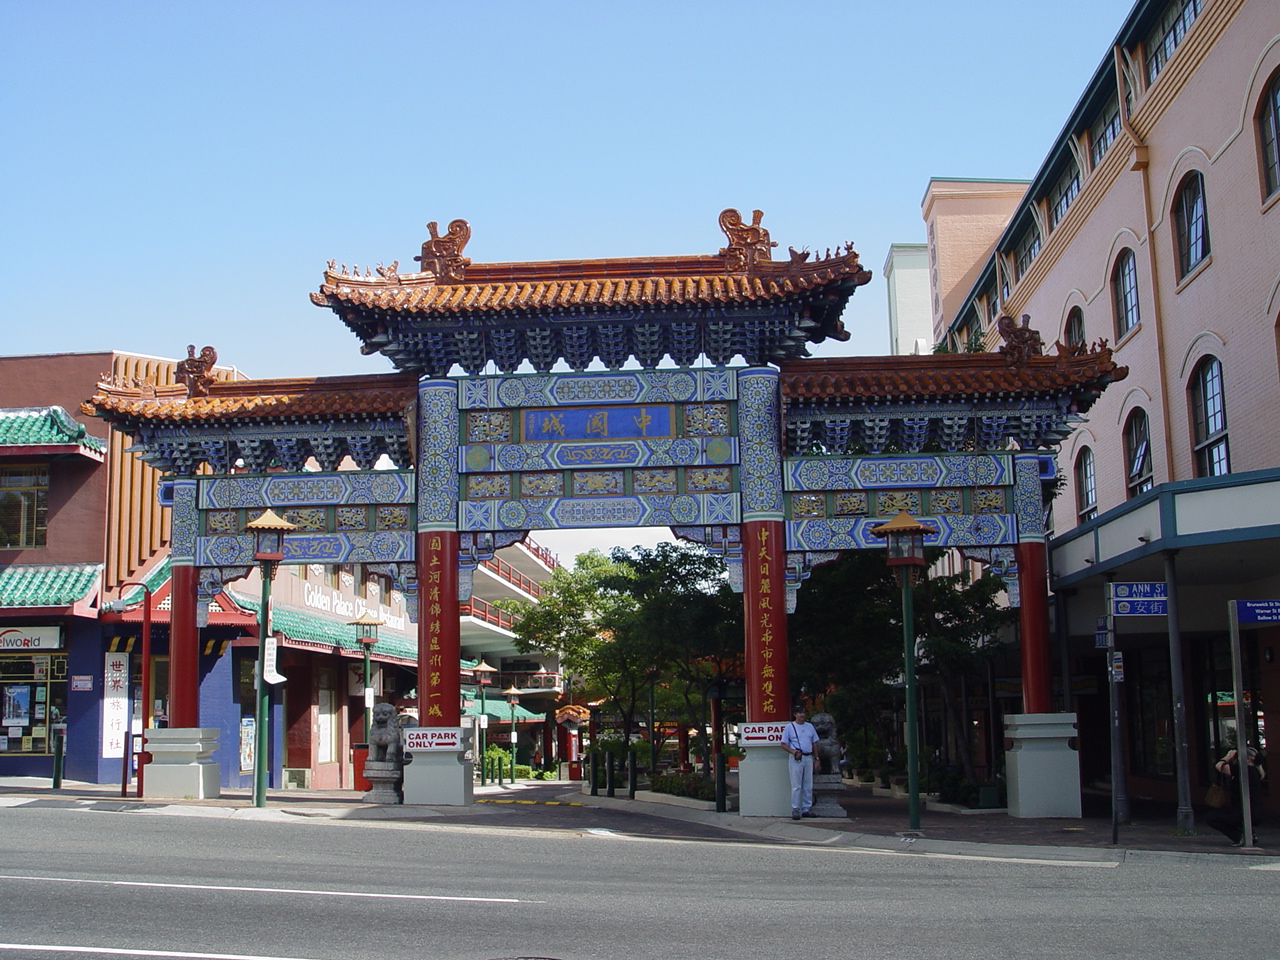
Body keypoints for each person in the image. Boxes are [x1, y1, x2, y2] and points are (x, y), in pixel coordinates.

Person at [1205, 746, 1266, 846]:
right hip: (1254, 811)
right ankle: (1250, 834)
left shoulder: (1244, 770)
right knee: (1228, 815)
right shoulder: (1256, 772)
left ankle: (1240, 836)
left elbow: (1219, 766)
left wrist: (1228, 756)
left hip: (1244, 812)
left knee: (1211, 818)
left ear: (1248, 759)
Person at [782, 704, 821, 820]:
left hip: (808, 757)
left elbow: (815, 743)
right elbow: (783, 744)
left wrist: (817, 758)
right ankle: (795, 809)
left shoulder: (810, 727)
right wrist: (793, 752)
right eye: (800, 713)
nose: (802, 715)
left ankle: (806, 808)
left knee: (808, 784)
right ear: (795, 715)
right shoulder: (790, 727)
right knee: (796, 785)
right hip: (796, 758)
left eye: (803, 712)